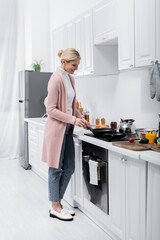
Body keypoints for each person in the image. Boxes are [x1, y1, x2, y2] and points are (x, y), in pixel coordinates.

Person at [42, 48, 88, 221]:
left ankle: (58, 204)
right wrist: (72, 119)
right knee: (55, 169)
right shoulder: (55, 79)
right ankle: (55, 206)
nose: (75, 68)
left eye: (77, 65)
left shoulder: (70, 78)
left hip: (67, 130)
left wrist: (80, 118)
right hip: (56, 131)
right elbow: (51, 109)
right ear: (64, 62)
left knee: (69, 168)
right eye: (73, 65)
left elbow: (71, 105)